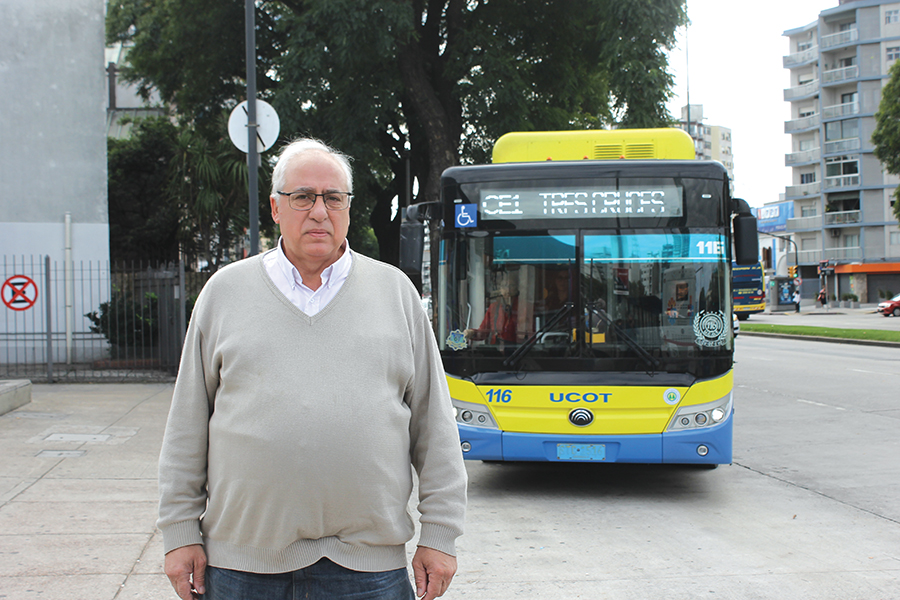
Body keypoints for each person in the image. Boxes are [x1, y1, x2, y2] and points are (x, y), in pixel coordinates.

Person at [158, 138, 467, 600]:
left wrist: (440, 536)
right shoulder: (224, 293)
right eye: (302, 197)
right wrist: (180, 533)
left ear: (347, 208)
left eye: (333, 198)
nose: (319, 211)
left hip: (369, 569)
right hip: (243, 569)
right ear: (275, 208)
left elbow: (435, 426)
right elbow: (186, 426)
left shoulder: (395, 294)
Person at [465, 275, 518, 345]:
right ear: (500, 289)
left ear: (517, 289)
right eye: (504, 286)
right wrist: (471, 333)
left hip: (518, 350)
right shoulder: (494, 307)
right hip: (496, 350)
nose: (508, 290)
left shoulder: (523, 307)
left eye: (511, 286)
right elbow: (483, 332)